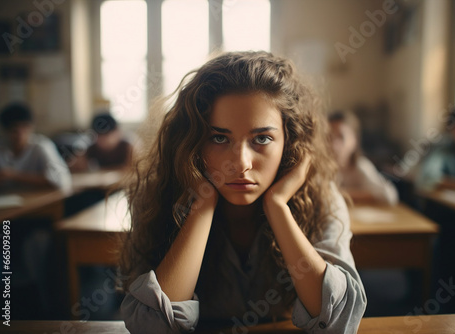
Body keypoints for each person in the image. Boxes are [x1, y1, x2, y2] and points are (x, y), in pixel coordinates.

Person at [118, 52, 366, 333]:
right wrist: (202, 207)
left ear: (290, 141)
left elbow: (339, 323)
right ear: (192, 142)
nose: (240, 164)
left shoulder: (322, 197)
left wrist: (277, 208)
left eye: (262, 138)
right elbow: (151, 328)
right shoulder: (157, 195)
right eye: (219, 138)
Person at [328, 110, 398, 205]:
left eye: (341, 137)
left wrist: (341, 194)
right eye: (329, 137)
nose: (334, 144)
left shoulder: (361, 166)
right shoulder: (321, 168)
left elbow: (389, 196)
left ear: (354, 140)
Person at [0, 103, 71, 190]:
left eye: (24, 127)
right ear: (5, 130)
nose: (20, 134)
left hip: (41, 200)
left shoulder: (41, 146)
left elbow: (61, 180)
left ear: (31, 127)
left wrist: (15, 176)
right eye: (14, 129)